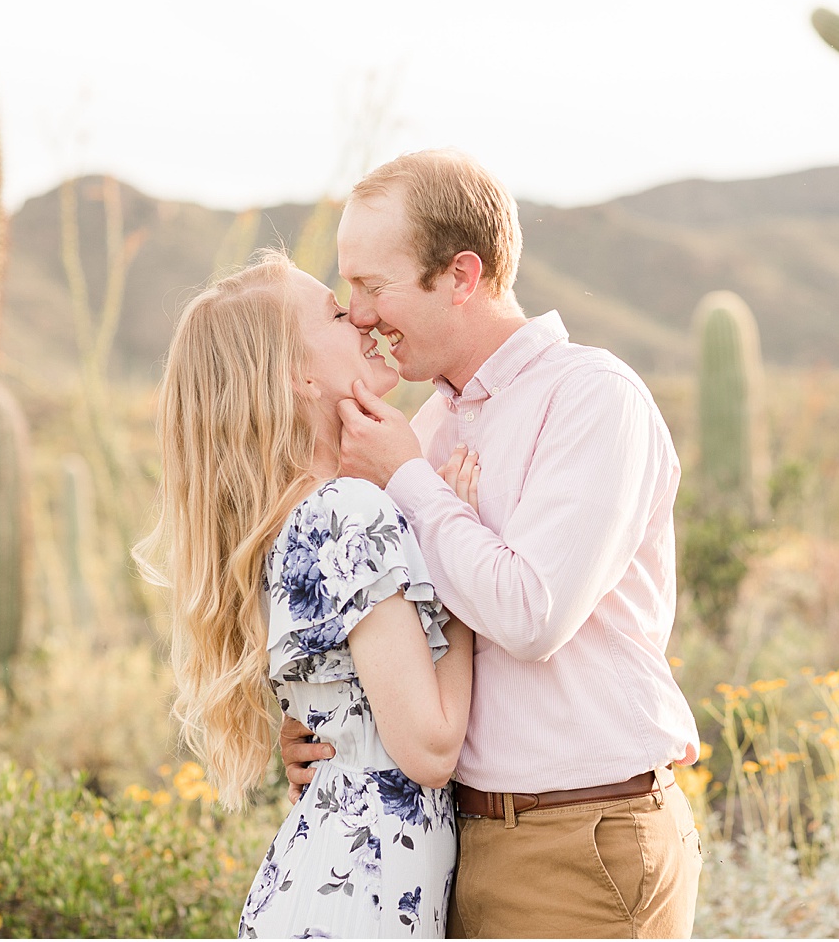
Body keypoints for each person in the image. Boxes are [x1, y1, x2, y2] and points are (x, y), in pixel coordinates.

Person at [280, 149, 703, 938]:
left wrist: (410, 479)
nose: (360, 313)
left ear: (462, 276)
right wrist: (322, 723)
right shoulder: (428, 428)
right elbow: (408, 628)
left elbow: (532, 613)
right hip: (449, 846)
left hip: (580, 841)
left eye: (375, 285)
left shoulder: (591, 399)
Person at [134, 252, 478, 938]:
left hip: (323, 890)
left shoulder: (294, 520)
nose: (358, 313)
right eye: (332, 311)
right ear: (298, 375)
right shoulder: (349, 511)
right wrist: (460, 555)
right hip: (359, 909)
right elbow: (432, 749)